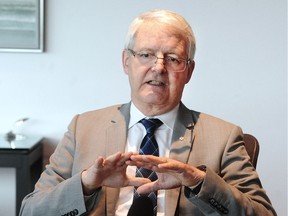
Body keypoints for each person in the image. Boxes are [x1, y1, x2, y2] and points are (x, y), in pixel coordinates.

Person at [20, 9, 276, 216]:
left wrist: (197, 181)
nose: (158, 67)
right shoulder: (82, 128)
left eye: (173, 58)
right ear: (126, 62)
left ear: (189, 71)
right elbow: (30, 210)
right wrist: (86, 183)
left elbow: (263, 213)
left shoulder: (224, 136)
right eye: (146, 54)